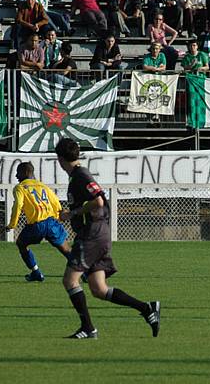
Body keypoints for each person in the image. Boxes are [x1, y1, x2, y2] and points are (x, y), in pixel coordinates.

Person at [55, 138, 161, 339]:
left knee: (70, 280)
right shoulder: (78, 175)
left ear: (59, 159)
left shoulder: (80, 175)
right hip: (98, 232)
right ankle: (147, 308)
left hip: (92, 233)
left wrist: (73, 213)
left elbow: (98, 201)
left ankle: (88, 328)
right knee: (99, 289)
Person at [6, 162, 71, 283]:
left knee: (21, 244)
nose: (16, 176)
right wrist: (59, 217)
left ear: (25, 173)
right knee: (65, 249)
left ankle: (35, 272)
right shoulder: (43, 186)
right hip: (51, 222)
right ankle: (84, 273)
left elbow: (18, 206)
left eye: (18, 172)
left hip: (37, 225)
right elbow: (55, 202)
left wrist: (12, 225)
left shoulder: (20, 188)